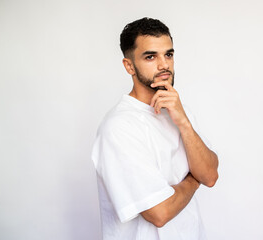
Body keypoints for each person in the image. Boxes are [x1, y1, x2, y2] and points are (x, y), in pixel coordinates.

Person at [91, 17, 219, 240]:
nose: (164, 65)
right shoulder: (119, 127)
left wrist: (184, 123)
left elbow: (209, 175)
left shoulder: (179, 111)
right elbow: (159, 212)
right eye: (151, 56)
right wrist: (192, 179)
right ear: (129, 65)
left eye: (168, 54)